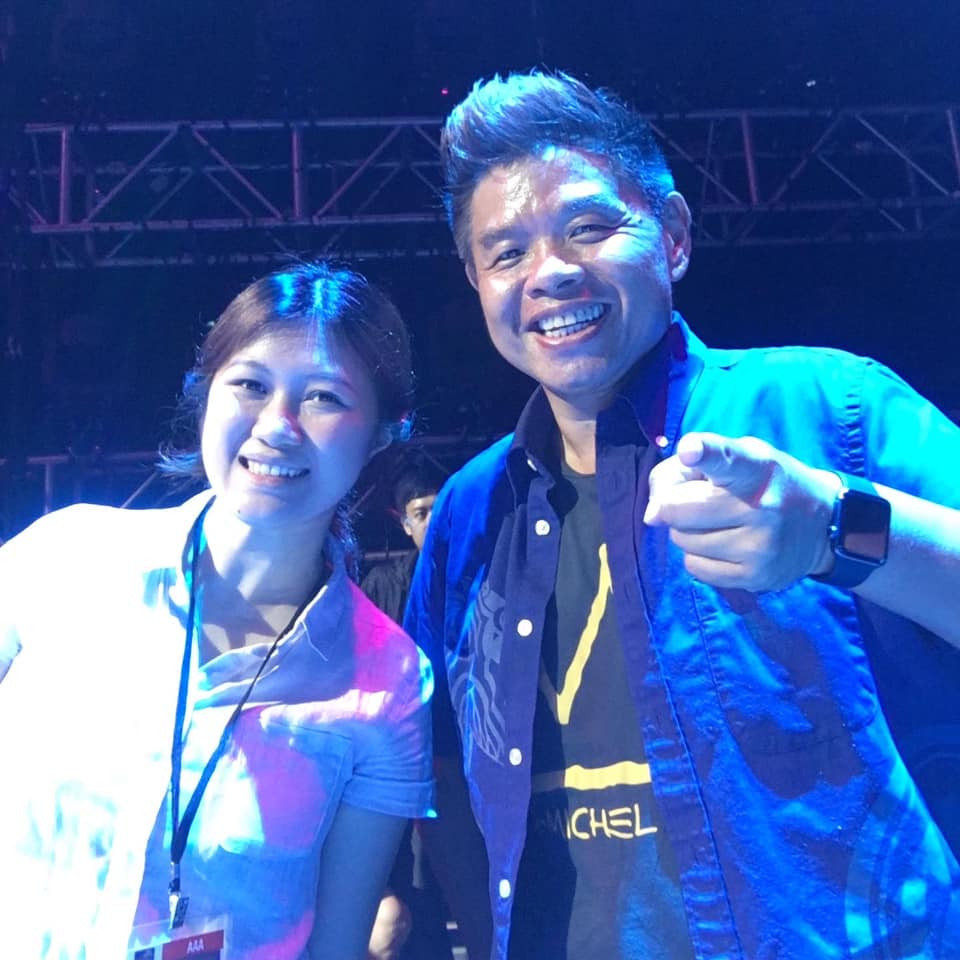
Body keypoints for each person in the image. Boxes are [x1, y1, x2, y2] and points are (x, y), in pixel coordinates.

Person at [406, 70, 960, 959]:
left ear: (671, 236)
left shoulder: (829, 407)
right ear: (475, 282)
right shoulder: (471, 511)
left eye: (588, 228)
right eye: (506, 254)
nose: (549, 273)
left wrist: (834, 529)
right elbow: (435, 769)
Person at [0, 261, 434, 960]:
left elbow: (337, 946)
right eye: (251, 385)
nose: (278, 426)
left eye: (323, 398)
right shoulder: (63, 559)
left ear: (383, 431)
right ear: (206, 394)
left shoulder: (388, 679)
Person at [361, 458, 455, 960]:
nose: (434, 522)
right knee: (416, 899)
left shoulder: (490, 576)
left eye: (442, 509)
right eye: (422, 513)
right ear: (404, 523)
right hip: (410, 768)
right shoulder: (381, 586)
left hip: (474, 762)